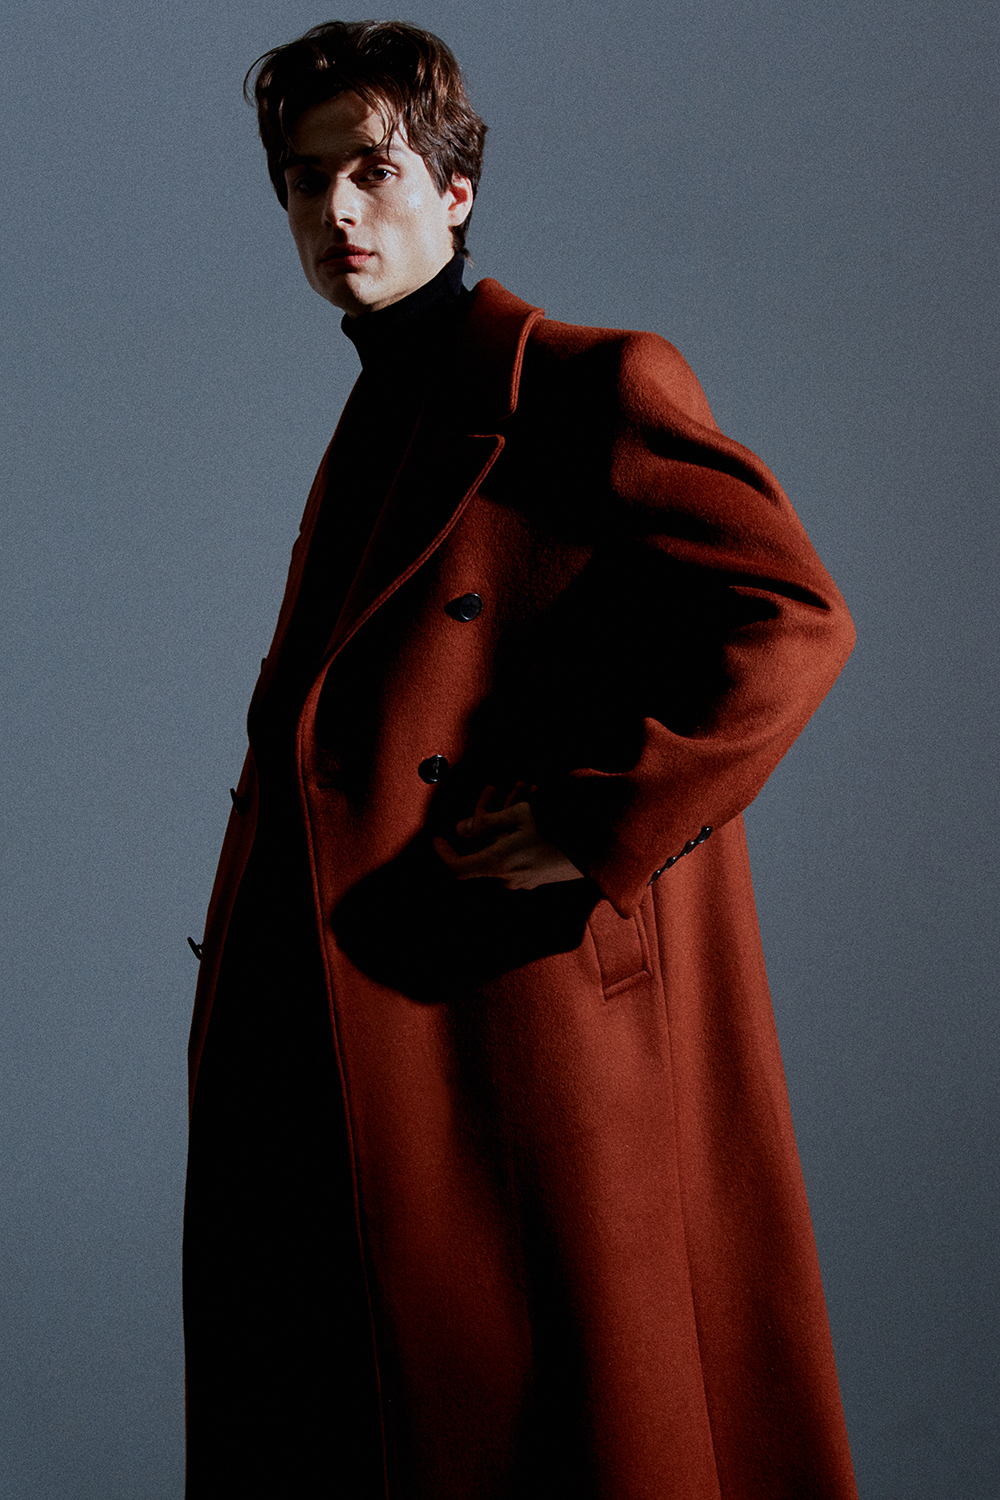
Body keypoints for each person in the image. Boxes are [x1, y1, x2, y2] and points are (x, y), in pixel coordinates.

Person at [183, 19, 859, 1500]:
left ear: (455, 187)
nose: (336, 212)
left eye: (373, 170)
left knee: (556, 1429)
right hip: (342, 1014)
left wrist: (600, 823)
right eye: (303, 181)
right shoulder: (384, 404)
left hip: (505, 1027)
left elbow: (797, 620)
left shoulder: (586, 383)